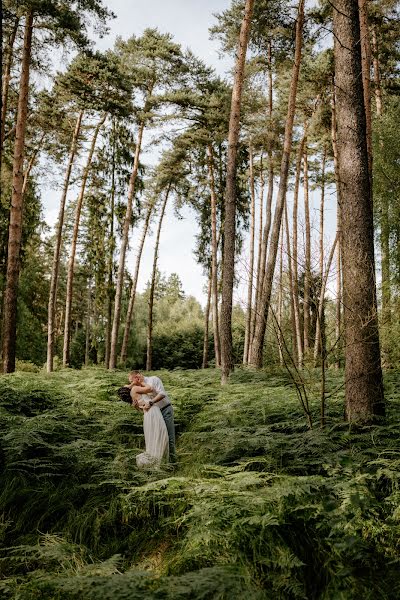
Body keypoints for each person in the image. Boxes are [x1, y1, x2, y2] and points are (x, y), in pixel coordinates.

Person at [128, 370, 176, 464]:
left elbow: (162, 394)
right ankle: (161, 463)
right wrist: (137, 406)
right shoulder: (139, 388)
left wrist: (151, 402)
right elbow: (143, 409)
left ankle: (173, 463)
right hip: (154, 415)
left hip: (165, 409)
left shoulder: (153, 379)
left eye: (131, 381)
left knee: (168, 437)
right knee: (157, 438)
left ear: (137, 376)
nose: (131, 383)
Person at [129, 384, 169, 468]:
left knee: (153, 437)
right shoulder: (135, 388)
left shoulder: (134, 394)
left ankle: (156, 462)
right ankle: (159, 463)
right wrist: (142, 382)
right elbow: (151, 388)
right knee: (161, 435)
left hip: (147, 415)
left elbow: (142, 408)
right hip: (153, 412)